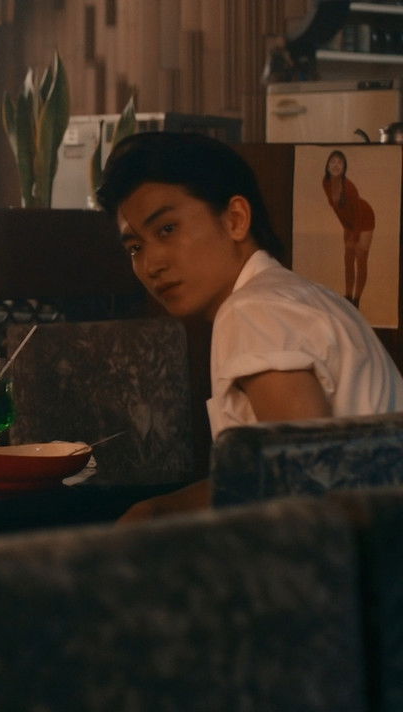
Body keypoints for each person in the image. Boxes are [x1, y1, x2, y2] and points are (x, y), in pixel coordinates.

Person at [94, 132, 403, 522]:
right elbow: (282, 475)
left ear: (235, 219)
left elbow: (302, 484)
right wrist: (160, 508)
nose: (151, 264)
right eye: (135, 247)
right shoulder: (293, 295)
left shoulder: (252, 311)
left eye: (167, 229)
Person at [321, 149, 375, 307]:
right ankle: (348, 296)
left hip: (364, 218)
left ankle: (357, 299)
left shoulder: (349, 187)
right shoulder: (326, 183)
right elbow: (338, 210)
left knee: (361, 258)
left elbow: (357, 213)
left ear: (344, 167)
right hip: (350, 223)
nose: (336, 165)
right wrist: (347, 229)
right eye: (333, 161)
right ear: (327, 166)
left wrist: (355, 235)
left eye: (340, 162)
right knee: (348, 259)